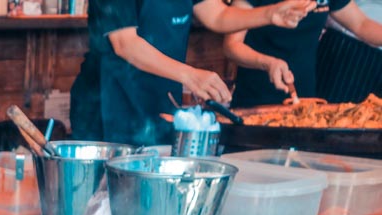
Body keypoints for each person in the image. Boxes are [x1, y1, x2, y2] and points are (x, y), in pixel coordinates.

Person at [70, 0, 316, 146]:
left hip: (160, 102)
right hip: (109, 104)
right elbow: (125, 44)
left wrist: (269, 14)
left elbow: (217, 15)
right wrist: (190, 75)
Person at [225, 0, 382, 107]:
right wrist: (267, 63)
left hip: (305, 99)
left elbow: (361, 24)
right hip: (257, 99)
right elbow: (232, 46)